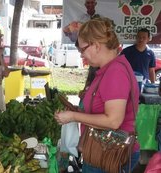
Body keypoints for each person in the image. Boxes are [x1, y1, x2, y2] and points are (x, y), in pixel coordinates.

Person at [55, 17, 140, 172]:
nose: (81, 55)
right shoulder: (108, 69)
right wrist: (77, 111)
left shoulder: (115, 72)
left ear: (95, 45)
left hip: (110, 153)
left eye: (82, 49)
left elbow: (113, 121)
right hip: (102, 149)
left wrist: (74, 117)